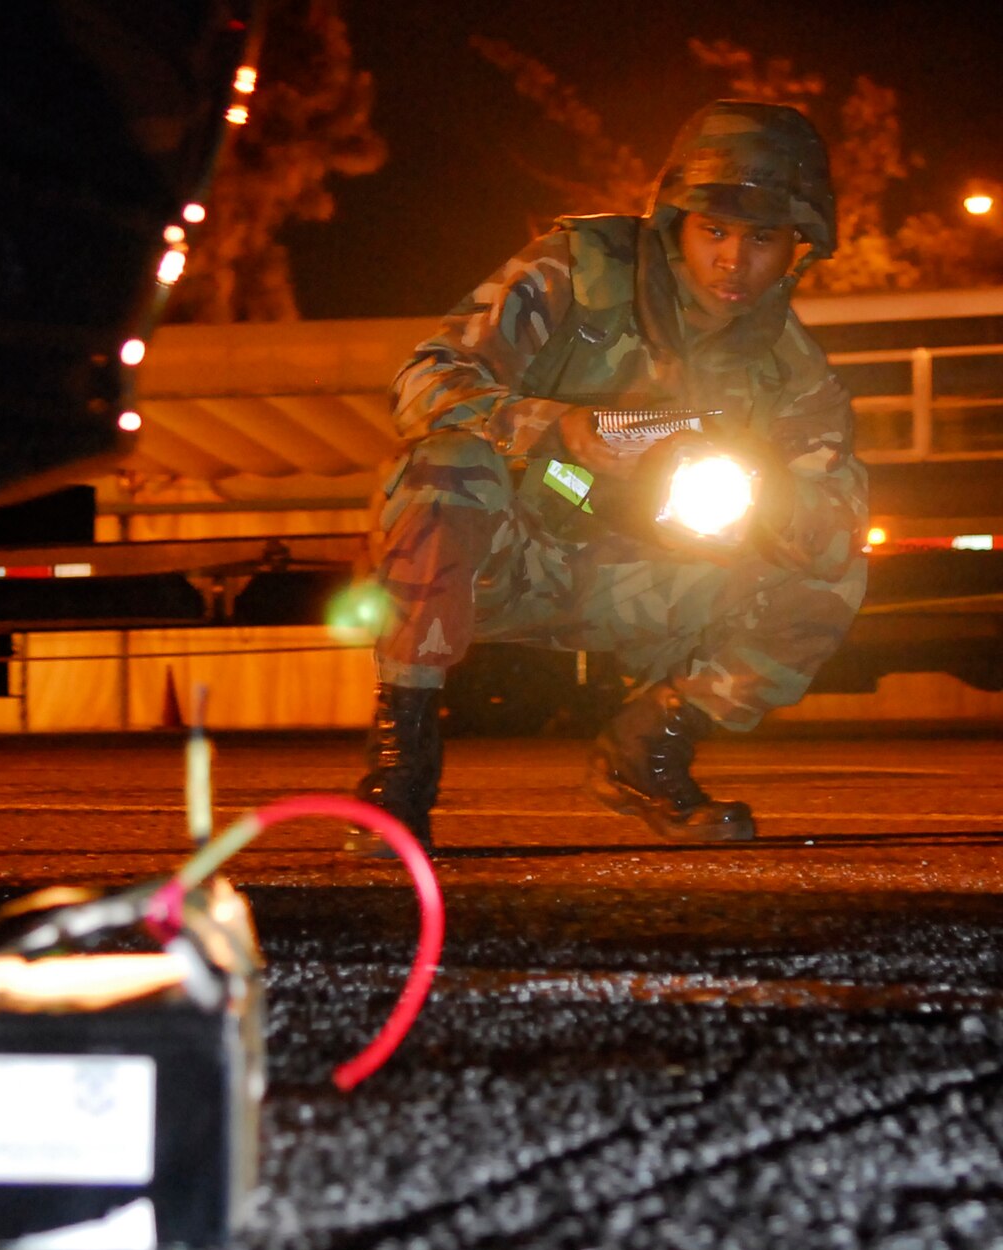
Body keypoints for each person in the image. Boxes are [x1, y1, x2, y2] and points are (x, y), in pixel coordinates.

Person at [354, 100, 867, 849]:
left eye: (763, 238)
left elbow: (837, 522)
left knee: (834, 573)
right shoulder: (579, 270)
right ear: (674, 223)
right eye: (714, 231)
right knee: (445, 465)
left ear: (799, 246)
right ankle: (399, 774)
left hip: (647, 579)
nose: (734, 260)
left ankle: (645, 753)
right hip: (504, 556)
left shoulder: (790, 369)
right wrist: (554, 427)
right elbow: (425, 382)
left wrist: (760, 489)